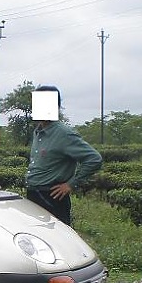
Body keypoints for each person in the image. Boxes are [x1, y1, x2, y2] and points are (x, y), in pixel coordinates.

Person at [26, 85, 102, 226]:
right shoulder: (38, 132)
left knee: (56, 237)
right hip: (33, 194)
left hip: (52, 196)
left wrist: (70, 184)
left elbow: (94, 159)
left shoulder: (64, 134)